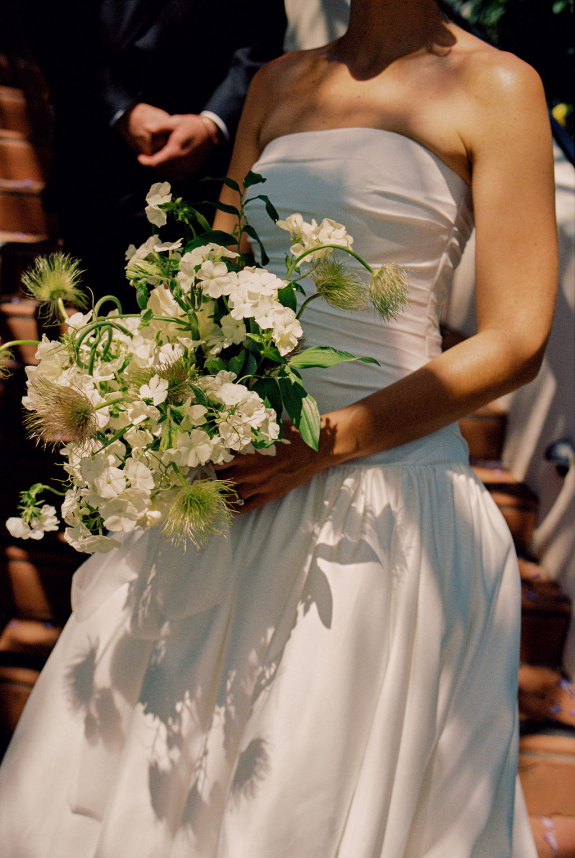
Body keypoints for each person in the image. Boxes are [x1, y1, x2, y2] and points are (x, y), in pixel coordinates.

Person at [0, 1, 557, 856]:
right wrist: (128, 378)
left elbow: (516, 340)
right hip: (237, 481)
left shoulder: (498, 85)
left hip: (381, 506)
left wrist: (327, 442)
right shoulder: (277, 81)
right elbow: (215, 281)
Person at [14, 0, 287, 306]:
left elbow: (261, 36)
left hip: (208, 180)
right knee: (102, 329)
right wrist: (119, 108)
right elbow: (50, 22)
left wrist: (211, 122)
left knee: (206, 324)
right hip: (96, 169)